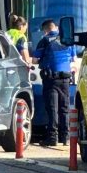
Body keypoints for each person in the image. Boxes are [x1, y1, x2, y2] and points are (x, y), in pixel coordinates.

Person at [32, 18, 77, 147]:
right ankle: (66, 137)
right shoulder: (68, 40)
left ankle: (52, 137)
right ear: (56, 27)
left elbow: (35, 60)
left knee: (52, 108)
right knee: (64, 108)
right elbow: (73, 59)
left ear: (45, 30)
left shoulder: (44, 41)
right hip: (66, 79)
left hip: (51, 79)